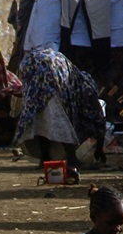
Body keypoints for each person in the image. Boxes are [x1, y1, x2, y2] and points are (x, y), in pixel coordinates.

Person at [13, 47, 106, 184]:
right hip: (50, 73)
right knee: (60, 120)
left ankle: (45, 159)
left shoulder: (76, 79)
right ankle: (71, 158)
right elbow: (99, 119)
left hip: (31, 65)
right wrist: (99, 149)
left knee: (41, 118)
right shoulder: (86, 87)